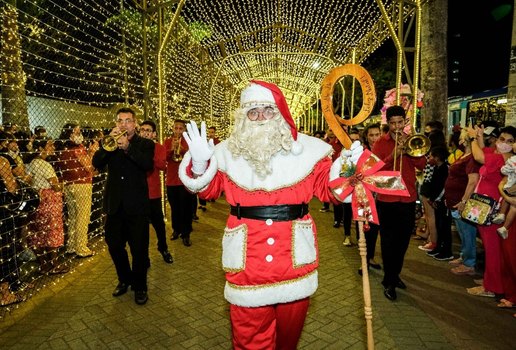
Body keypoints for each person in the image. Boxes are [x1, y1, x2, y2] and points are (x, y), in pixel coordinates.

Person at [178, 80, 359, 349]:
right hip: (248, 264)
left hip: (295, 261)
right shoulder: (226, 152)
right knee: (249, 340)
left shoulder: (311, 151)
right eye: (253, 112)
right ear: (243, 118)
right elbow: (207, 191)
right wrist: (202, 162)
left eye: (268, 110)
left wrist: (348, 166)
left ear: (281, 114)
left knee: (288, 339)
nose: (260, 117)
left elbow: (331, 192)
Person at [92, 107, 154, 305]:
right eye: (120, 120)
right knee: (114, 245)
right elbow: (97, 163)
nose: (123, 124)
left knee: (139, 249)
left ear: (135, 123)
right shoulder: (110, 143)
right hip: (115, 205)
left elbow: (146, 165)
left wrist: (127, 147)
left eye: (128, 120)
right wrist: (105, 146)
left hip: (137, 206)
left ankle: (140, 286)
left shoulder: (145, 144)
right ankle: (124, 278)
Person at [372, 105, 426, 301]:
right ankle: (390, 279)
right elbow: (374, 167)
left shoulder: (412, 141)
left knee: (403, 242)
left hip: (408, 198)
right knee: (388, 242)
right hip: (387, 199)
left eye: (399, 122)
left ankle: (394, 275)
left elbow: (422, 165)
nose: (396, 126)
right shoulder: (380, 143)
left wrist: (410, 151)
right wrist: (394, 154)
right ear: (388, 123)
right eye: (392, 123)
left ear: (405, 123)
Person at [465, 125, 516, 298]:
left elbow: (479, 157)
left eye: (510, 141)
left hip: (492, 208)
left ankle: (492, 287)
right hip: (483, 207)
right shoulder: (496, 155)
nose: (504, 143)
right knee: (490, 247)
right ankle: (490, 280)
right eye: (502, 139)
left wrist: (472, 138)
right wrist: (479, 137)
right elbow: (484, 151)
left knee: (492, 248)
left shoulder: (506, 159)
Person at [25, 138, 69, 275]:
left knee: (38, 232)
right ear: (40, 149)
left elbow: (28, 180)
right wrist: (63, 184)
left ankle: (44, 265)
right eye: (49, 145)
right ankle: (55, 265)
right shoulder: (45, 165)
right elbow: (55, 186)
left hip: (37, 198)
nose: (52, 147)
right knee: (52, 231)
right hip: (49, 199)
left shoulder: (31, 164)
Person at [56, 123, 96, 258]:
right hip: (82, 184)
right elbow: (90, 167)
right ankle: (81, 248)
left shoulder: (62, 149)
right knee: (82, 217)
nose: (80, 135)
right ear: (70, 134)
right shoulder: (78, 149)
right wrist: (92, 152)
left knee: (73, 216)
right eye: (77, 132)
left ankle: (71, 246)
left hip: (69, 185)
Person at [445, 129, 481, 275]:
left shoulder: (471, 158)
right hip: (455, 199)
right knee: (462, 232)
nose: (459, 141)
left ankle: (469, 263)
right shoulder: (465, 156)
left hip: (462, 201)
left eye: (461, 138)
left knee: (467, 233)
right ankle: (464, 256)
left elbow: (472, 181)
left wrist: (464, 201)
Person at [139, 120, 173, 264]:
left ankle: (163, 247)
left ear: (153, 134)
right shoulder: (133, 145)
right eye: (142, 130)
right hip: (137, 194)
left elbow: (161, 165)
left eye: (148, 130)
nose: (145, 132)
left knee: (159, 224)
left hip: (153, 193)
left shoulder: (158, 147)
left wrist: (149, 152)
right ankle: (143, 255)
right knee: (141, 228)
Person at [164, 119, 195, 247]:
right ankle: (176, 230)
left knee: (186, 208)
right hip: (171, 179)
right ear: (172, 129)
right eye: (175, 128)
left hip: (185, 180)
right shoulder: (167, 141)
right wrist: (171, 149)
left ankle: (186, 233)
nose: (177, 130)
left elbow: (193, 156)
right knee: (174, 207)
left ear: (184, 130)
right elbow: (164, 158)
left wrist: (181, 149)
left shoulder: (189, 141)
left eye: (180, 128)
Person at [492, 142, 516, 239]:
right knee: (513, 205)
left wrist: (504, 168)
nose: (513, 144)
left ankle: (502, 215)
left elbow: (503, 170)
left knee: (509, 200)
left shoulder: (513, 160)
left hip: (510, 185)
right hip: (511, 186)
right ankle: (504, 226)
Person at [198, 126, 221, 212]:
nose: (211, 134)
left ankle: (212, 196)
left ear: (215, 133)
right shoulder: (205, 142)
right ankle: (202, 203)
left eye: (212, 132)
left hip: (214, 165)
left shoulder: (218, 143)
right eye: (209, 132)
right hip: (206, 165)